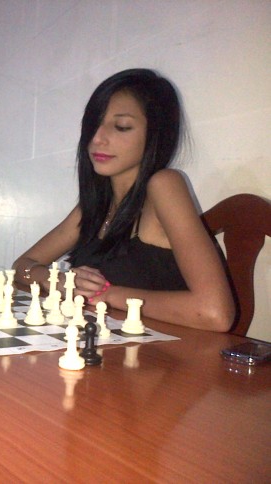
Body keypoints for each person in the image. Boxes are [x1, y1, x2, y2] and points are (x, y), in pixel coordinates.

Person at [12, 69, 234, 331]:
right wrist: (60, 281)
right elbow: (21, 266)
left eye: (122, 127)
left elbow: (214, 313)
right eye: (93, 125)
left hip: (168, 351)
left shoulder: (164, 185)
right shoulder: (96, 204)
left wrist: (106, 294)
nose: (97, 138)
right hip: (107, 343)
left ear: (156, 134)